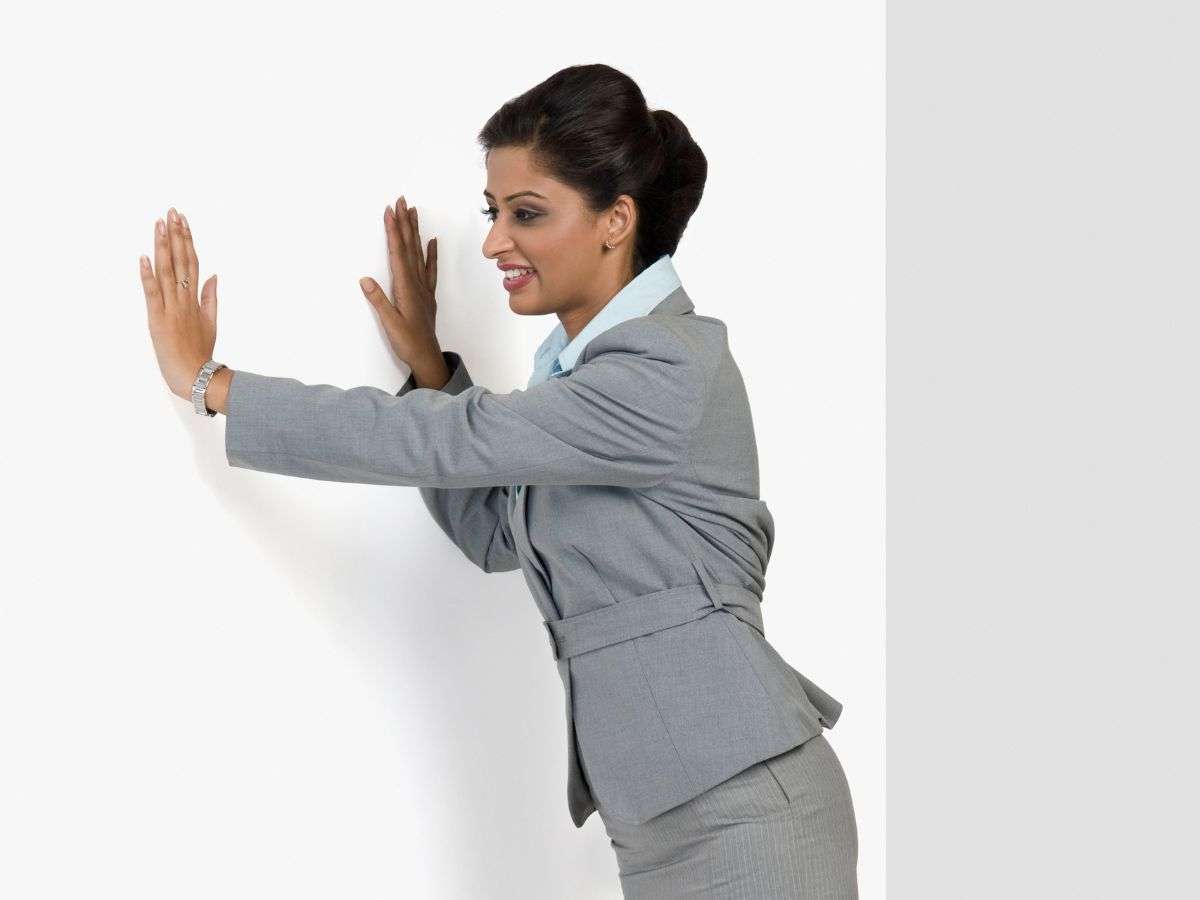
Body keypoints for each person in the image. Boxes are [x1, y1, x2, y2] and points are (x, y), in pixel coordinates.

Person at [140, 63, 859, 899]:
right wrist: (430, 368)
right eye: (493, 213)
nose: (493, 244)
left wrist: (213, 383)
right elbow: (493, 534)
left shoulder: (665, 367)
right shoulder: (587, 381)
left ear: (615, 221)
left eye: (527, 213)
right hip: (662, 821)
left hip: (746, 809)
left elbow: (458, 441)